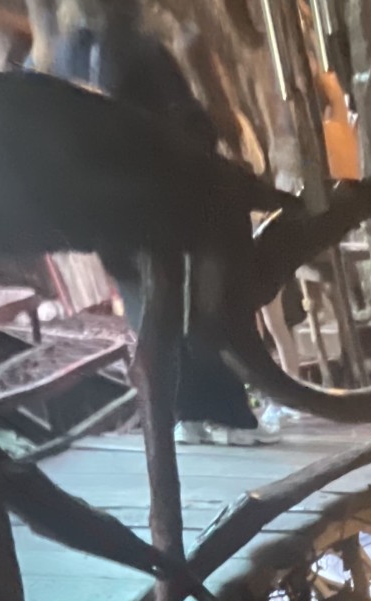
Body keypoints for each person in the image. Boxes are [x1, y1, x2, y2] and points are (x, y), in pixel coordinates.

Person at [45, 0, 281, 444]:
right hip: (163, 203)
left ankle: (187, 415)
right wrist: (212, 139)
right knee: (202, 309)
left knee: (152, 317)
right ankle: (232, 420)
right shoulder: (141, 50)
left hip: (108, 215)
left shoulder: (66, 54)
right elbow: (182, 122)